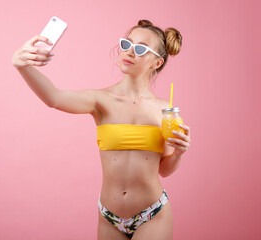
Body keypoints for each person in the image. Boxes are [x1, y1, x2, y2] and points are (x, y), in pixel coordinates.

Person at [12, 19, 191, 240]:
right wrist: (23, 66)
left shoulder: (165, 110)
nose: (130, 52)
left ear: (156, 62)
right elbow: (54, 98)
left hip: (153, 214)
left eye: (141, 48)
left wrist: (180, 153)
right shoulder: (101, 100)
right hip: (109, 216)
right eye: (127, 44)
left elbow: (164, 169)